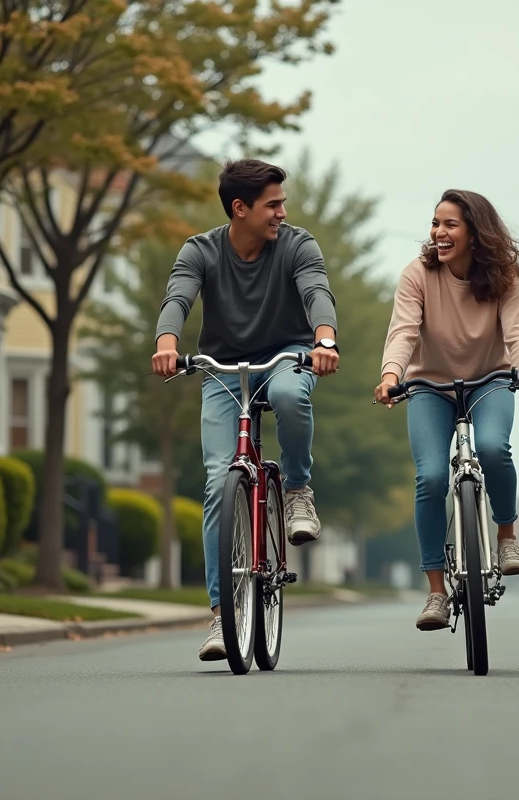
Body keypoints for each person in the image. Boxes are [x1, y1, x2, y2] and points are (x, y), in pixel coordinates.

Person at [152, 158, 340, 661]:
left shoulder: (298, 244)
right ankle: (222, 616)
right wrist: (167, 343)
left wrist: (324, 339)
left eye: (283, 202)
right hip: (222, 372)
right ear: (240, 209)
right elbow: (178, 298)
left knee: (287, 396)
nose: (283, 211)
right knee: (218, 481)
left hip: (286, 359)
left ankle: (298, 488)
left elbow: (316, 291)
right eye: (273, 204)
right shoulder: (200, 250)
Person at [375, 189, 519, 631]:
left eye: (450, 224)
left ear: (476, 233)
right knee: (431, 476)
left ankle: (507, 537)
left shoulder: (503, 277)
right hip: (427, 385)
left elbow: (518, 337)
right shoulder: (417, 274)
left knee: (494, 447)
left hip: (490, 379)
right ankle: (436, 591)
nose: (439, 232)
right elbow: (403, 331)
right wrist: (390, 374)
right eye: (435, 223)